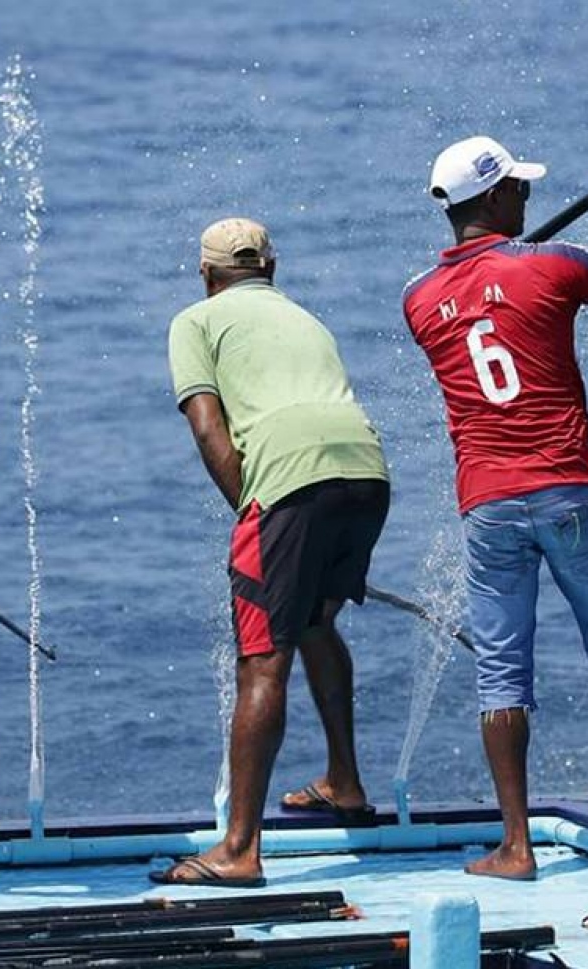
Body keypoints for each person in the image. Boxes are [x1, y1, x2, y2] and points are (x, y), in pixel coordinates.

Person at [401, 125, 588, 880]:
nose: (528, 196)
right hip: (569, 491)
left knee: (502, 673)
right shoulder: (553, 265)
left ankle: (516, 845)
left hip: (489, 504)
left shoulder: (419, 301)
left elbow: (484, 301)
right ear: (496, 195)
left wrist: (502, 270)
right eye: (519, 187)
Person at [152, 218, 390, 887]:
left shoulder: (195, 322)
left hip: (289, 481)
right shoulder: (306, 317)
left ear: (206, 275)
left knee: (262, 660)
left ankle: (238, 850)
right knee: (314, 621)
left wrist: (254, 513)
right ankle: (345, 781)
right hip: (367, 472)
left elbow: (209, 429)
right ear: (272, 270)